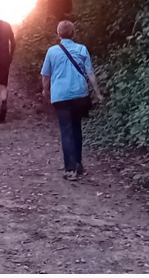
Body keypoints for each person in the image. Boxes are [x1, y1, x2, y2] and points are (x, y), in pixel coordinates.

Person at [40, 20, 103, 181]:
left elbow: (45, 76)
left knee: (66, 130)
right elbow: (90, 73)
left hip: (60, 96)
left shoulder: (52, 51)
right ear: (73, 33)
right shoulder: (82, 49)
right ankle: (78, 163)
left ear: (58, 33)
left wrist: (45, 92)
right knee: (76, 128)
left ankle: (70, 170)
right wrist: (97, 93)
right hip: (79, 94)